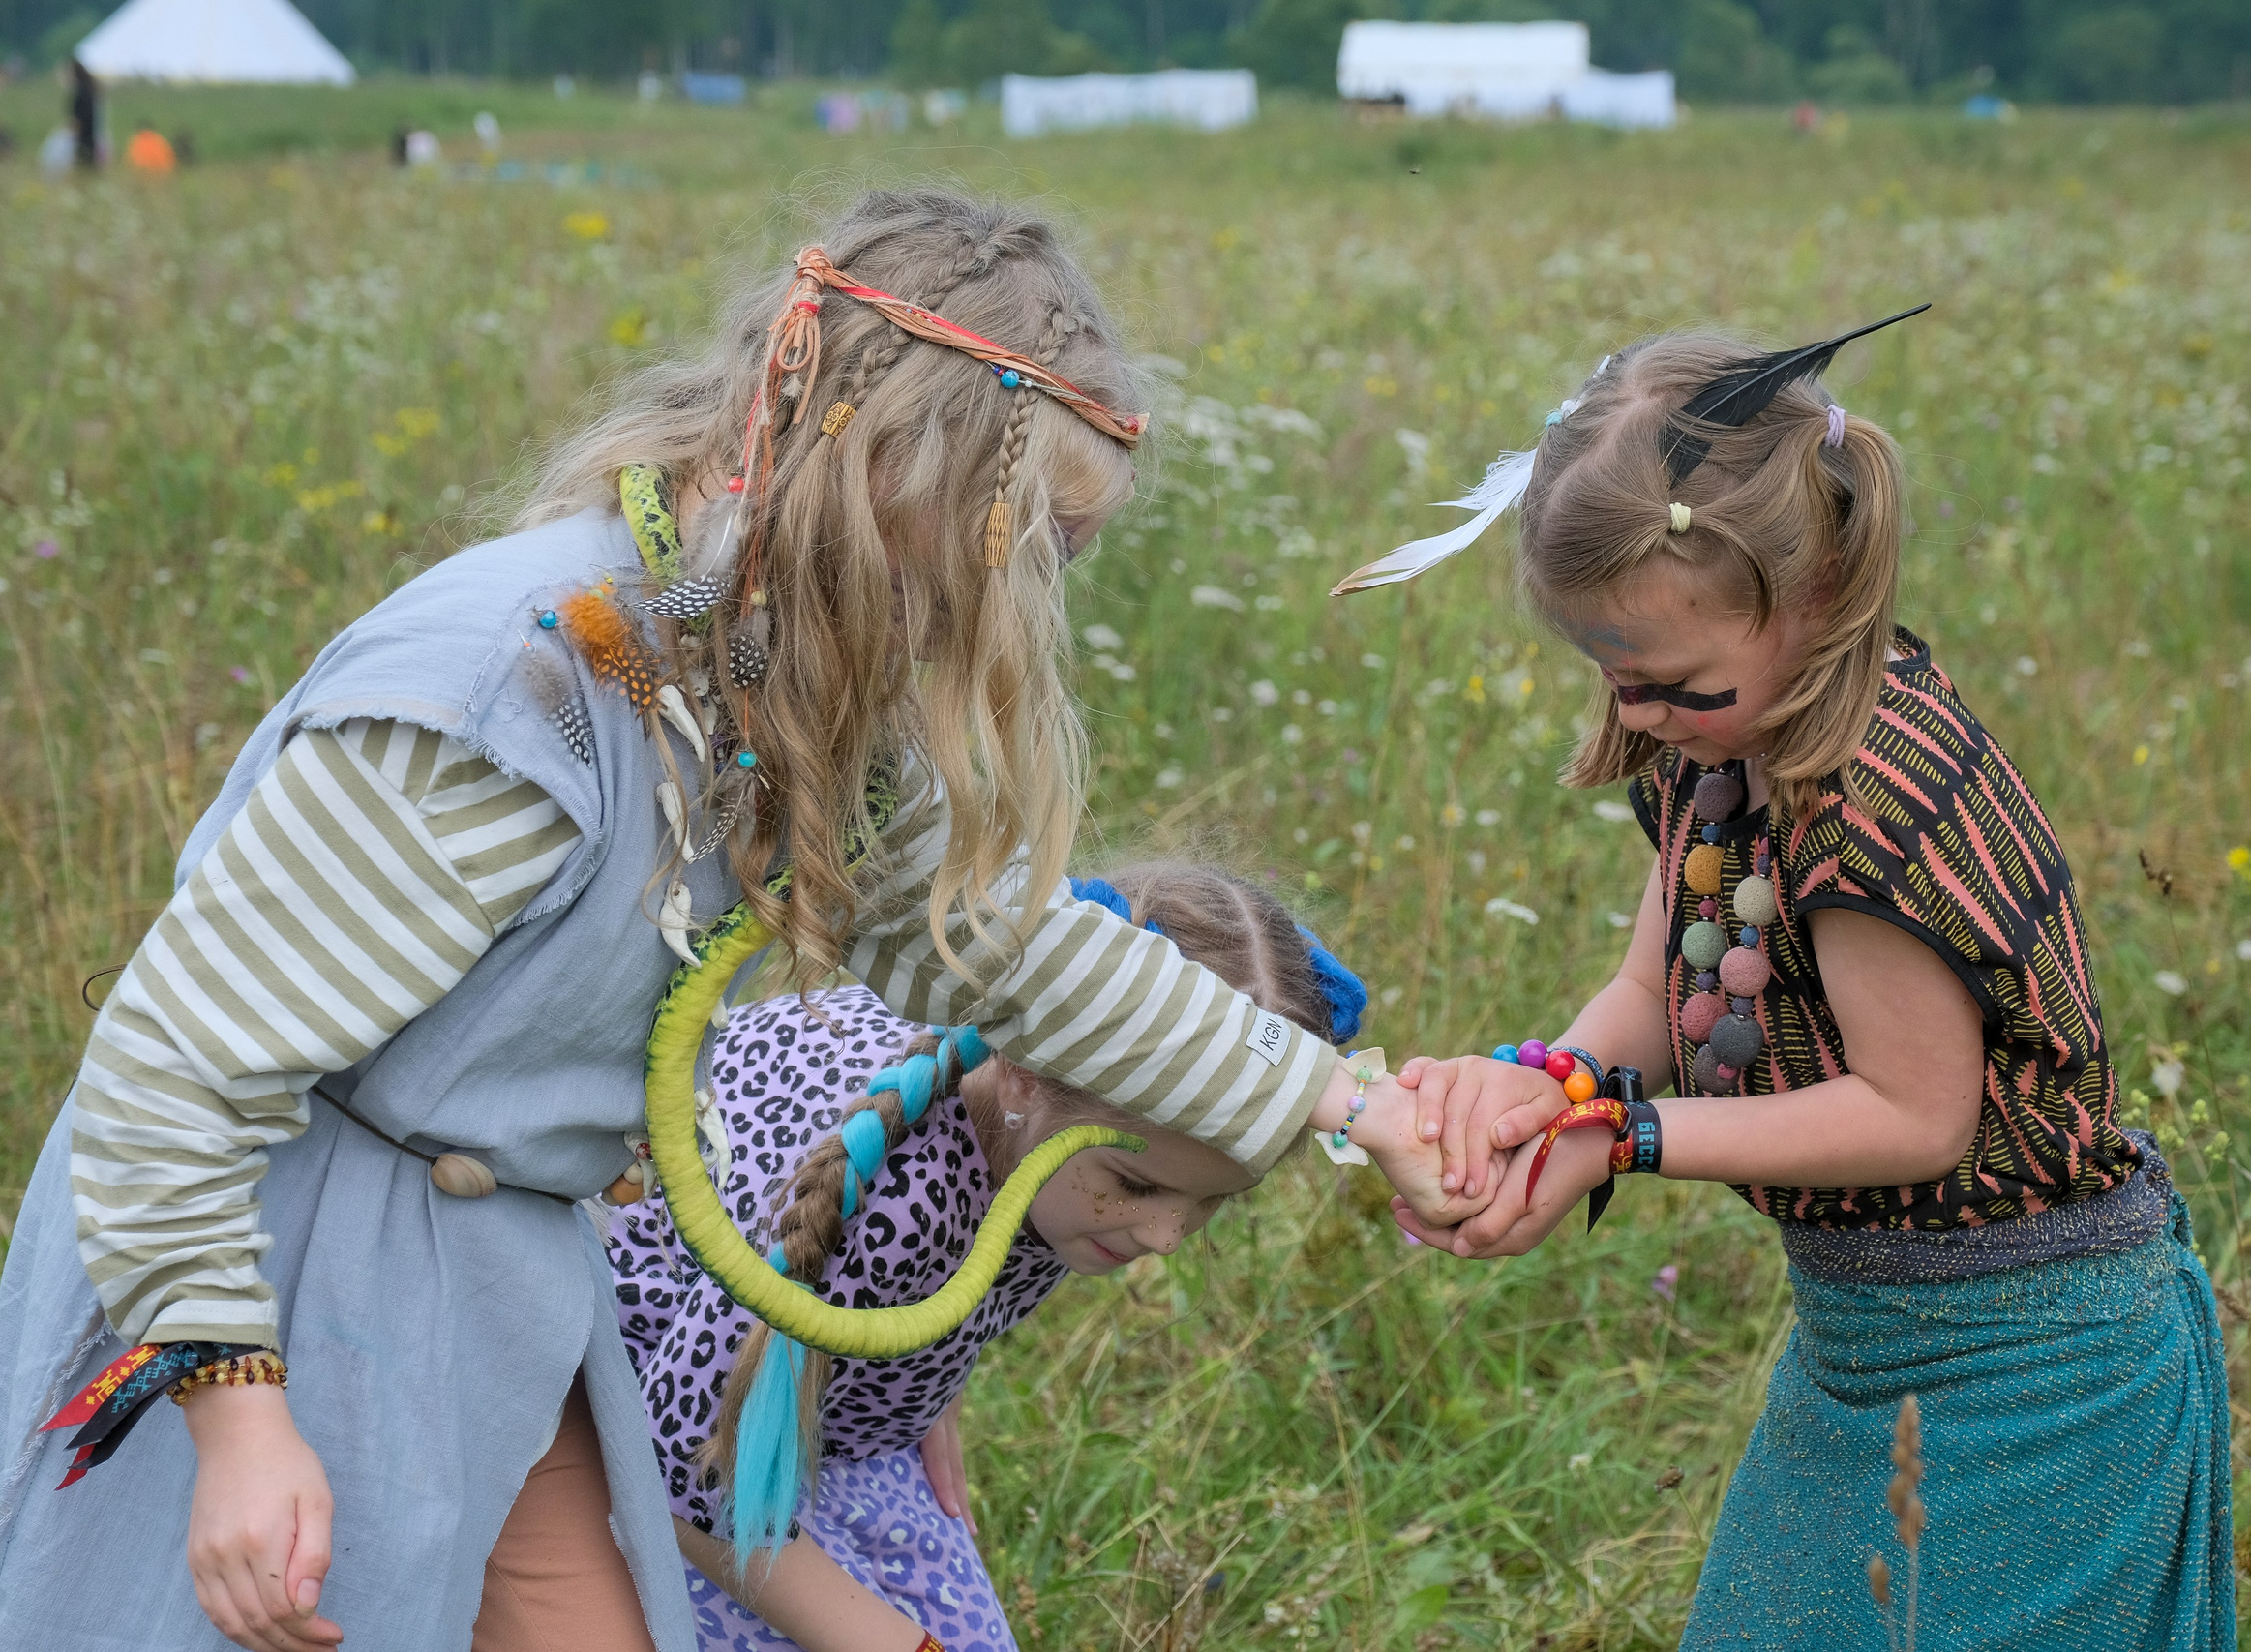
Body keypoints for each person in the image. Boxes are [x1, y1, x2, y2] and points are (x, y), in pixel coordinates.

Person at [0, 189, 1482, 1652]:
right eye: (1018, 541)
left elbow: (1002, 948)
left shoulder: (770, 683)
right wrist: (243, 1419)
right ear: (882, 463)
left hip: (499, 1294)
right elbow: (173, 1077)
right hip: (269, 1278)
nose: (1023, 599)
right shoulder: (505, 695)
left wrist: (1351, 1099)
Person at [1361, 319, 2235, 1650]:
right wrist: (1539, 1089)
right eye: (1610, 676)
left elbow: (1913, 1112)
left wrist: (1624, 1137)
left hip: (2036, 1365)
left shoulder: (1872, 797)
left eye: (1672, 683)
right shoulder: (1721, 749)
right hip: (1864, 1342)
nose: (1640, 713)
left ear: (1813, 594)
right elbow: (1657, 988)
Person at [614, 861, 1379, 1652]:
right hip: (666, 1455)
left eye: (1213, 1199)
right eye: (1137, 1184)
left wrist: (916, 1381)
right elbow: (675, 1469)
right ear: (1023, 1071)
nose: (1165, 1237)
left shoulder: (1023, 1124)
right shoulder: (892, 1205)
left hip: (813, 1418)